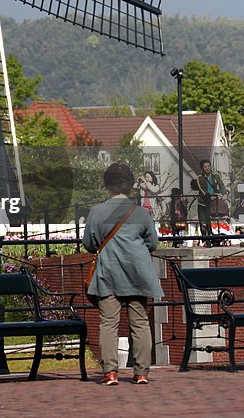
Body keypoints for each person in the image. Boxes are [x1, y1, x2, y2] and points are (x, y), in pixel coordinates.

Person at [82, 162, 163, 386]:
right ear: (128, 186)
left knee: (108, 323)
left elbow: (89, 244)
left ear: (108, 185)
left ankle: (110, 372)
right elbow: (152, 243)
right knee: (140, 323)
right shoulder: (140, 213)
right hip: (138, 273)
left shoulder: (97, 212)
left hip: (108, 272)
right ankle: (141, 372)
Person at [190, 159, 225, 244]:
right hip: (203, 203)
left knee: (209, 222)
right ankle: (205, 239)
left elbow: (221, 185)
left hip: (213, 203)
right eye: (205, 166)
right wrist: (209, 196)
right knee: (203, 223)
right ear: (202, 168)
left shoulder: (215, 176)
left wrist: (224, 194)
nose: (207, 168)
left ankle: (210, 239)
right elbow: (202, 189)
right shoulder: (200, 177)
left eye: (208, 166)